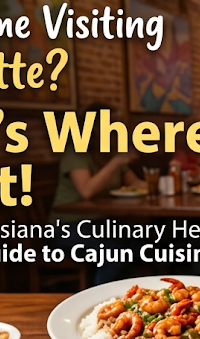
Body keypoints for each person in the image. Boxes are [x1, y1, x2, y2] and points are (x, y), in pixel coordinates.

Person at [49, 103, 144, 284]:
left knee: (141, 243)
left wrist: (164, 185)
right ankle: (100, 302)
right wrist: (116, 162)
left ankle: (127, 296)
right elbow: (87, 190)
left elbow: (134, 183)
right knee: (115, 253)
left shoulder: (112, 152)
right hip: (68, 226)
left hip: (101, 223)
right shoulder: (76, 151)